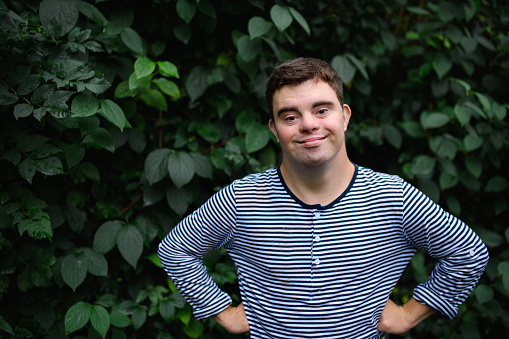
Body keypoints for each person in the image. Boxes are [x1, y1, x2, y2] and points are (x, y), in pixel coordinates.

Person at [158, 57, 489, 338]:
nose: (307, 125)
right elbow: (176, 250)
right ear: (273, 129)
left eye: (321, 110)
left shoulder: (392, 198)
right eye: (290, 116)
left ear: (344, 116)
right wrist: (224, 314)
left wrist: (408, 316)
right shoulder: (243, 199)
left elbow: (468, 253)